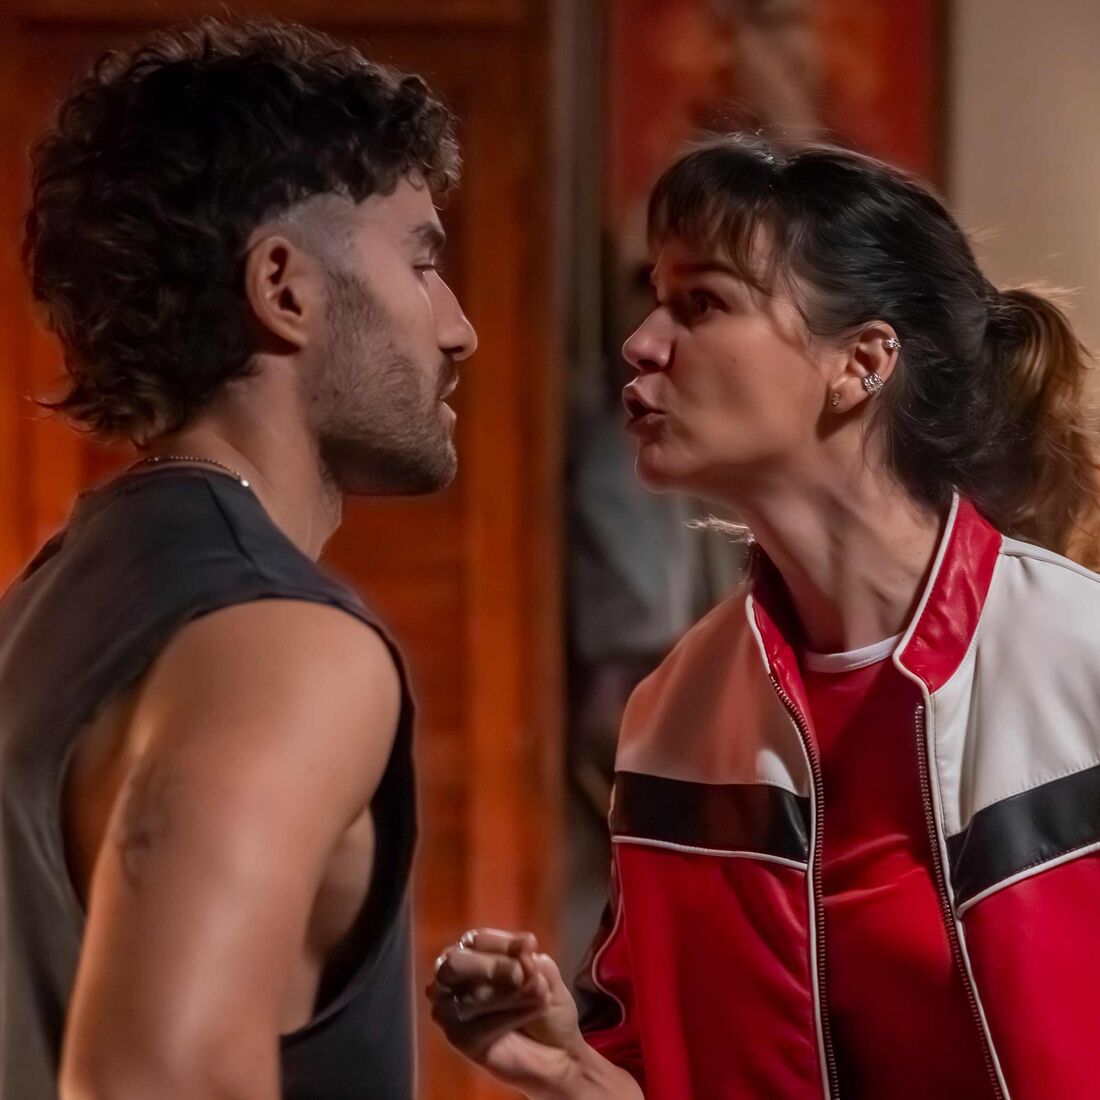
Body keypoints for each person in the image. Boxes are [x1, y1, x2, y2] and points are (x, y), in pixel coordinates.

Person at [427, 134, 1100, 1100]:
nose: (641, 343)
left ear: (861, 362)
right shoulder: (675, 721)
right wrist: (568, 1070)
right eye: (655, 298)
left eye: (702, 303)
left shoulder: (1080, 660)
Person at [1, 15, 476, 1100]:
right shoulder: (284, 647)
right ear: (284, 287)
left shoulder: (37, 615)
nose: (457, 328)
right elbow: (156, 1080)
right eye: (421, 261)